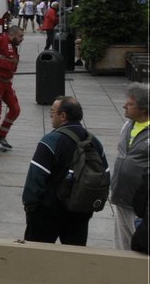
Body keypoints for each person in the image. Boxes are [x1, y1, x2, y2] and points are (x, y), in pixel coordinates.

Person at [23, 96, 104, 245]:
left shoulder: (50, 141)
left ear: (63, 116)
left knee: (35, 259)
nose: (50, 116)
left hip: (48, 213)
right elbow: (104, 175)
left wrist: (30, 206)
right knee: (74, 257)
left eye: (52, 112)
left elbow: (36, 177)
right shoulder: (94, 142)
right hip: (80, 211)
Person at [109, 85, 150, 250]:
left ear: (144, 109)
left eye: (130, 104)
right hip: (120, 197)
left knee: (140, 246)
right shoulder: (127, 125)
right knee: (121, 245)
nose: (125, 106)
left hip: (141, 204)